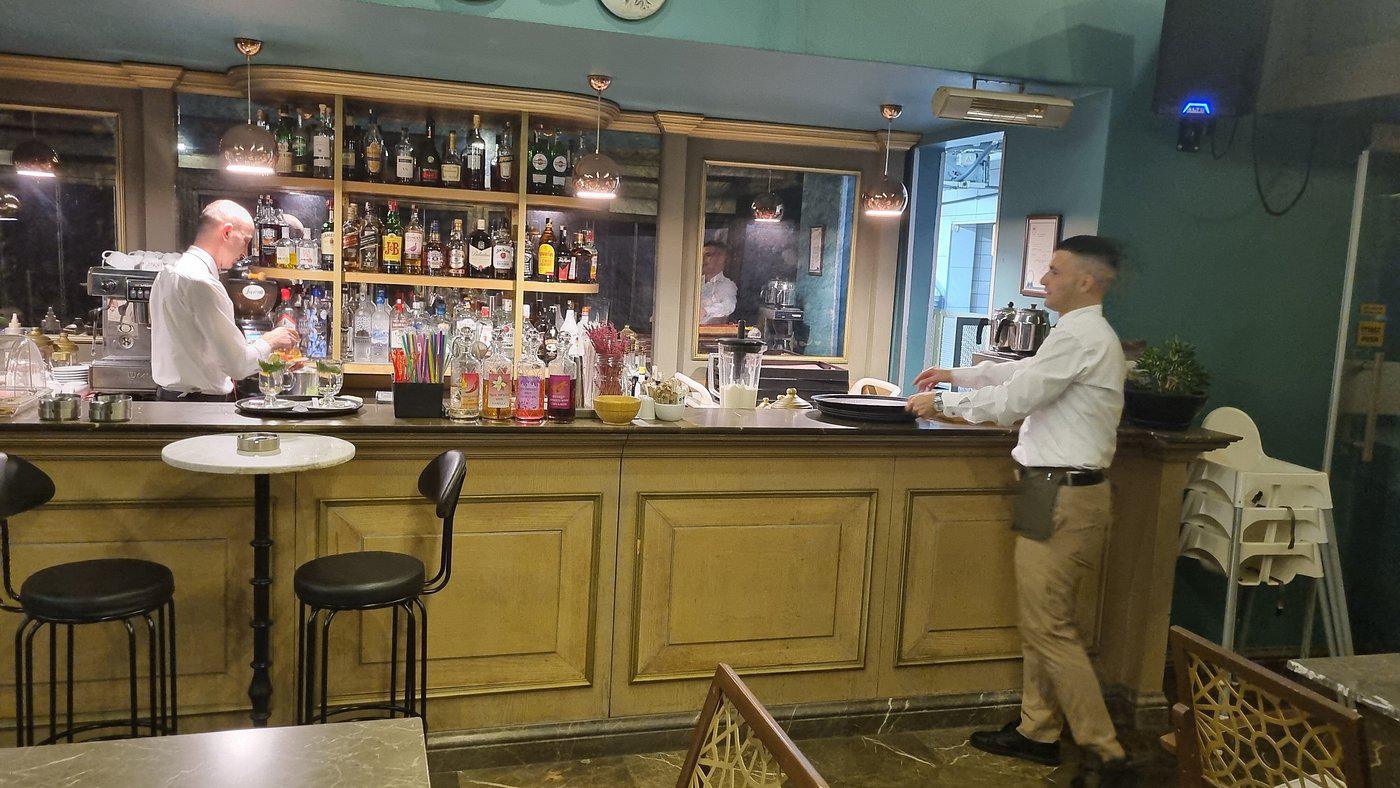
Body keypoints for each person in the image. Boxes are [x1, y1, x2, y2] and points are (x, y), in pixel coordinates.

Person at [906, 235, 1131, 787]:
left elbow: (1013, 401)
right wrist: (955, 375)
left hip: (1062, 495)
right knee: (1042, 620)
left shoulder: (1082, 335)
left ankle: (1108, 755)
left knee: (1049, 626)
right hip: (1053, 491)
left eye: (1054, 271)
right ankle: (1038, 730)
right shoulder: (1076, 334)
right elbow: (1021, 373)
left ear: (1086, 281)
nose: (1043, 279)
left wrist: (943, 402)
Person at [150, 200, 299, 401]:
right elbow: (238, 365)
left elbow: (197, 348)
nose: (244, 253)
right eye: (245, 241)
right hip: (198, 405)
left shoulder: (166, 274)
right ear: (227, 232)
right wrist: (270, 341)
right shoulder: (202, 283)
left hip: (170, 399)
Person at [699, 240, 737, 325]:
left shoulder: (727, 285)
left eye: (707, 255)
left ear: (720, 259)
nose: (702, 259)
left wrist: (705, 311)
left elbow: (728, 306)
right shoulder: (695, 283)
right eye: (701, 255)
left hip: (710, 332)